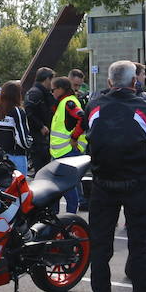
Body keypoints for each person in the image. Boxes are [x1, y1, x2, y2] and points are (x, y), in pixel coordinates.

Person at [85, 61, 146, 292]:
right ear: (134, 83)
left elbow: (89, 136)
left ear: (109, 82)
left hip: (102, 183)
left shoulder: (93, 106)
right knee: (139, 247)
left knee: (100, 247)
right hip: (136, 183)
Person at [48, 76, 87, 212]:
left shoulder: (68, 102)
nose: (52, 93)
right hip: (61, 153)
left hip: (67, 152)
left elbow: (83, 117)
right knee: (58, 188)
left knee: (67, 189)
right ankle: (58, 219)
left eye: (53, 90)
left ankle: (70, 222)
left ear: (60, 89)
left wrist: (75, 137)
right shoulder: (63, 102)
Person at [0, 80, 31, 175]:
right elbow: (22, 138)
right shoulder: (17, 111)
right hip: (17, 155)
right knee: (20, 187)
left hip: (1, 156)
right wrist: (29, 144)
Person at [23, 67, 55, 173]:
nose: (52, 83)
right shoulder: (35, 93)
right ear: (46, 79)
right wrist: (40, 126)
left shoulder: (43, 93)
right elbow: (29, 113)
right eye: (51, 80)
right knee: (41, 169)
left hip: (42, 137)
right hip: (38, 137)